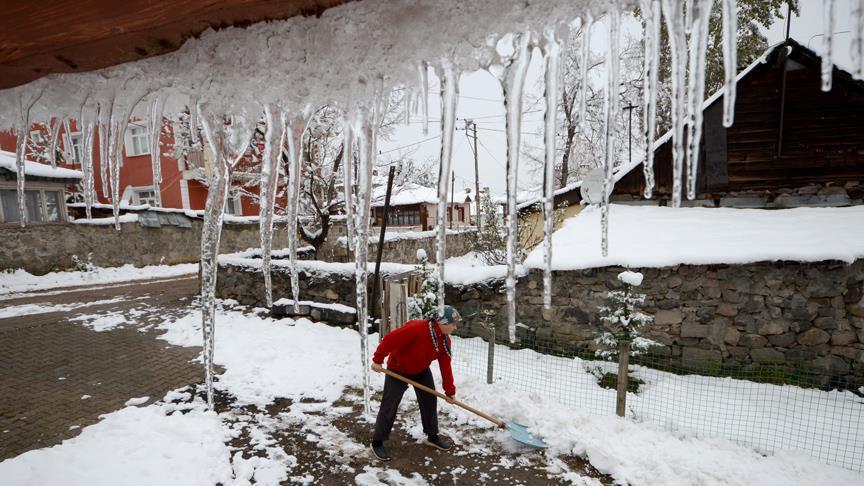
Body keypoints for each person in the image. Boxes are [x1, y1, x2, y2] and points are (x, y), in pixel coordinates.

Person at [369, 305, 462, 461]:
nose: (455, 327)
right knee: (390, 404)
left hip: (420, 370)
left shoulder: (444, 341)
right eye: (453, 324)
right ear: (442, 323)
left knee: (429, 400)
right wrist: (378, 360)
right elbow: (391, 339)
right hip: (398, 369)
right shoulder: (417, 328)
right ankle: (377, 442)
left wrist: (450, 391)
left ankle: (432, 437)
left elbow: (445, 365)